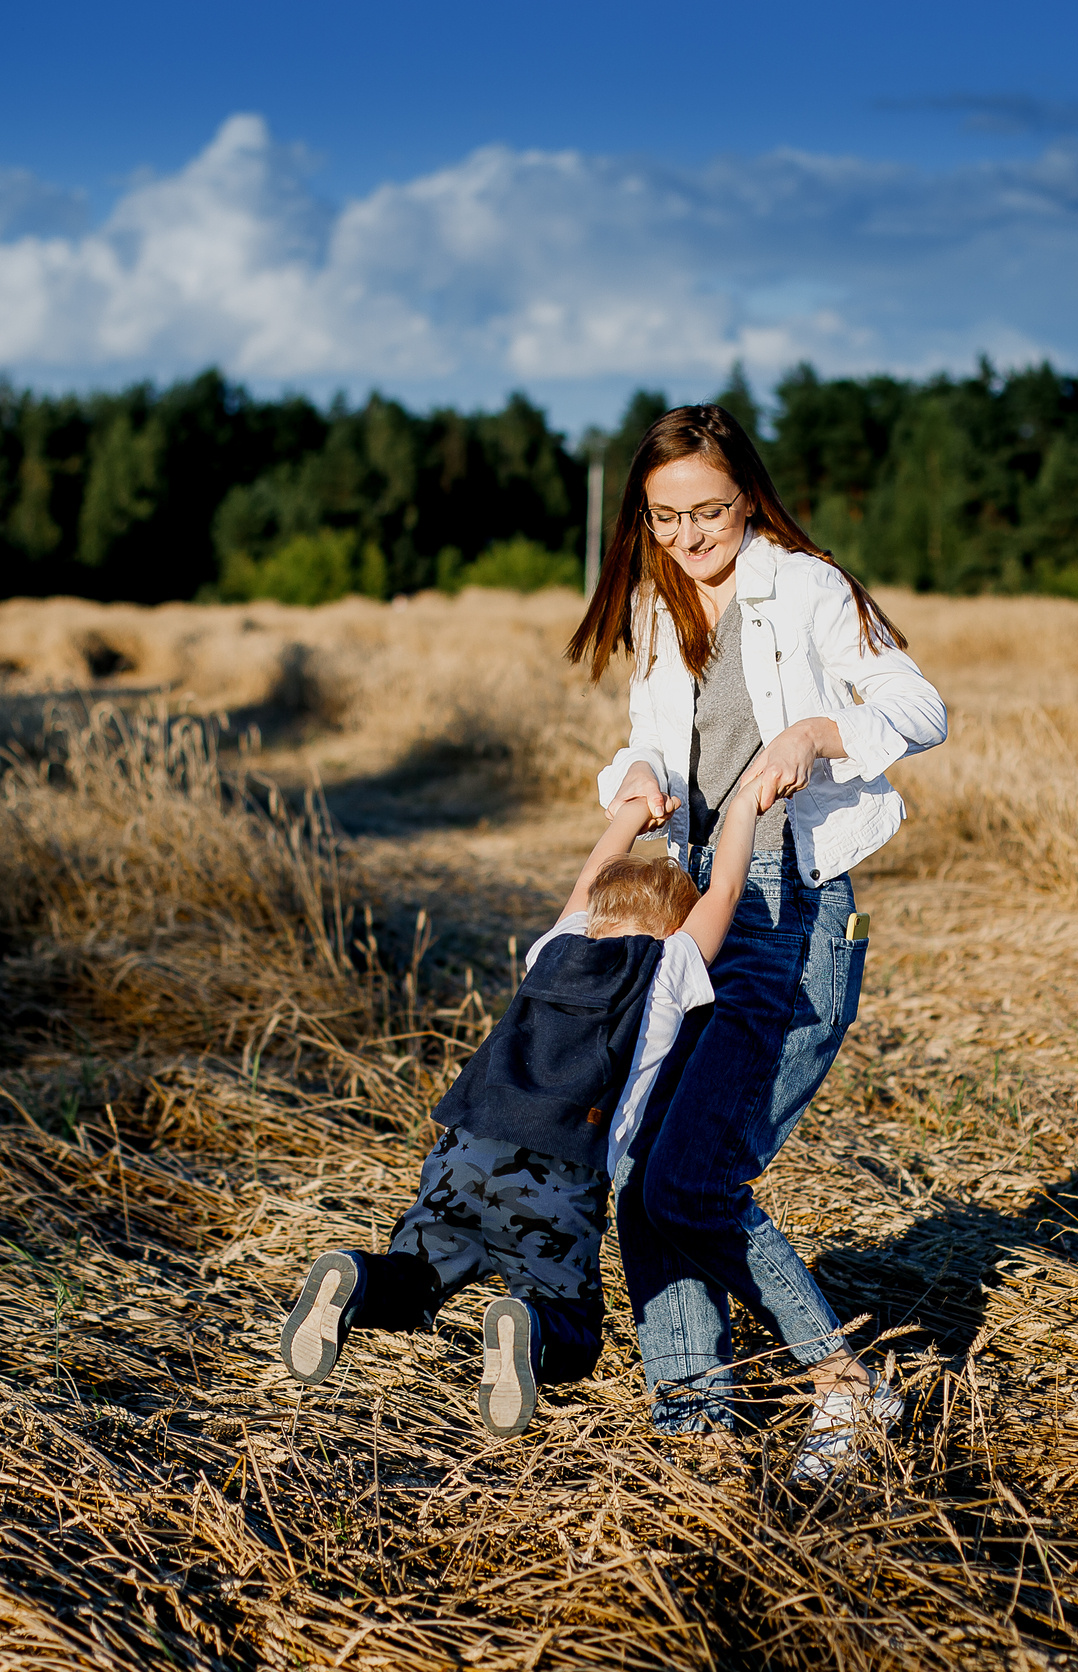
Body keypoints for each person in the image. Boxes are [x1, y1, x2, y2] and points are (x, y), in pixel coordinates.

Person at [565, 402, 947, 1478]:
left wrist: (822, 734)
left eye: (709, 512)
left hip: (794, 912)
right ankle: (695, 1436)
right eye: (663, 516)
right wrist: (634, 778)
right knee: (638, 1171)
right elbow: (653, 742)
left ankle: (847, 1388)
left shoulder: (805, 587)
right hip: (696, 901)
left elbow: (918, 705)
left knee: (693, 1181)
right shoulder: (656, 607)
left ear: (748, 496)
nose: (688, 537)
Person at [278, 780, 768, 1435]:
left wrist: (629, 817)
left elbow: (585, 882)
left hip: (464, 1148)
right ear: (676, 927)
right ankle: (527, 1326)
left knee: (418, 1277)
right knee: (572, 1325)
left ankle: (359, 1281)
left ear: (594, 916)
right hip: (559, 1176)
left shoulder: (555, 948)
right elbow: (728, 891)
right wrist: (743, 807)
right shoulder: (670, 966)